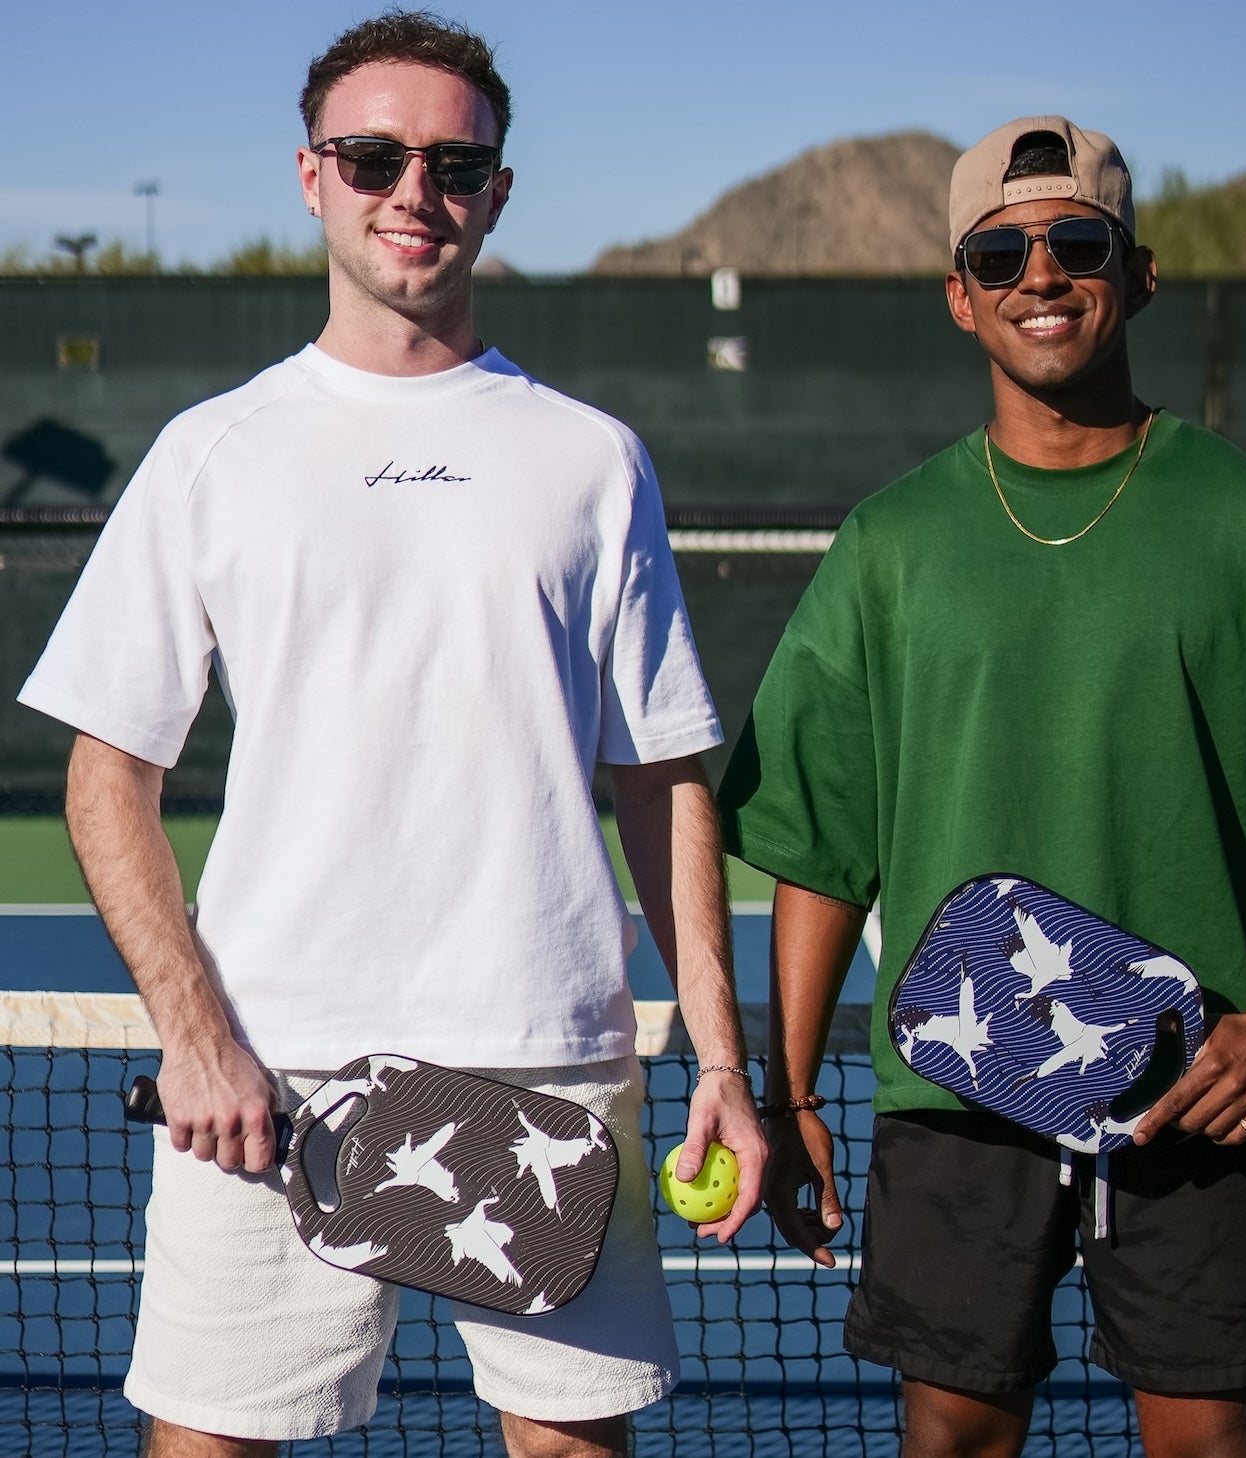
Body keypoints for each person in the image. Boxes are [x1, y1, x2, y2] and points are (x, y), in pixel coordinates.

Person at [19, 13, 764, 1458]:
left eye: (453, 163)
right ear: (313, 177)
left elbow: (662, 781)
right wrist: (198, 1039)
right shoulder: (211, 454)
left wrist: (723, 1066)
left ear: (497, 192)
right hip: (268, 1075)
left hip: (550, 1065)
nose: (413, 189)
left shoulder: (595, 459)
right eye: (373, 157)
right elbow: (106, 780)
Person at [717, 115, 1246, 1457]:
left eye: (1075, 243)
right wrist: (793, 1089)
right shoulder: (890, 543)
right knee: (953, 1438)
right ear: (960, 296)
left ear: (1140, 272)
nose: (1040, 275)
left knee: (1209, 1442)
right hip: (958, 1090)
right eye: (1000, 254)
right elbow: (818, 845)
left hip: (1189, 1082)